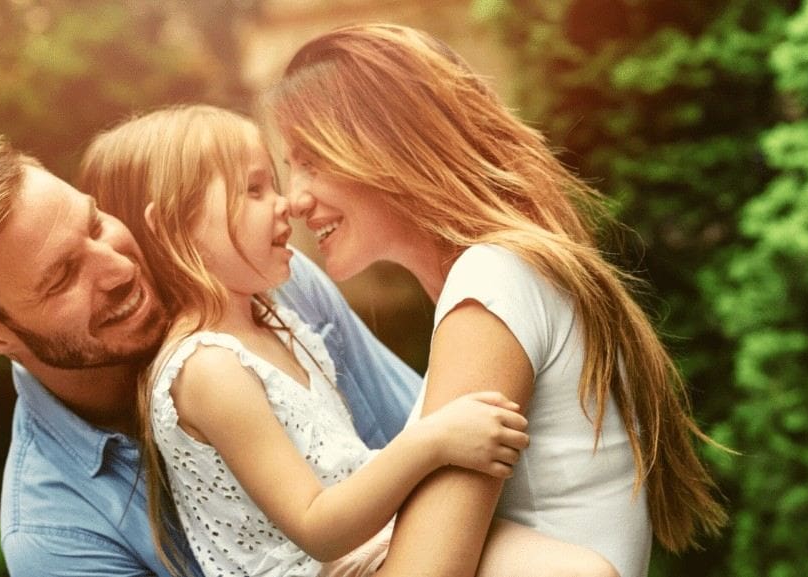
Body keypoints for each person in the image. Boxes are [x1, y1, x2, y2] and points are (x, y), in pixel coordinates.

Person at [261, 22, 729, 577]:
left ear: (389, 144)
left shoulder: (490, 282)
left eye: (312, 160)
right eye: (288, 169)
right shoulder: (517, 271)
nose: (293, 199)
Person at [78, 103, 619, 577]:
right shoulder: (207, 369)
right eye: (253, 189)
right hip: (334, 565)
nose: (286, 203)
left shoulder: (273, 322)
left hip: (372, 548)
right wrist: (432, 442)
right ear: (175, 225)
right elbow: (316, 526)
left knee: (586, 569)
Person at [0, 136, 423, 577]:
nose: (117, 268)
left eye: (94, 224)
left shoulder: (255, 287)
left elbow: (432, 426)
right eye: (63, 276)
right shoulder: (59, 539)